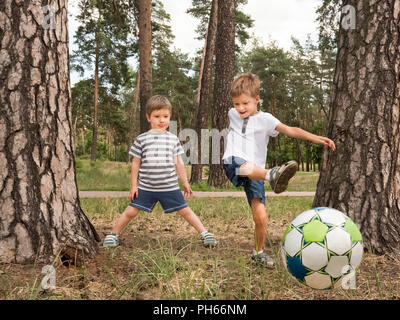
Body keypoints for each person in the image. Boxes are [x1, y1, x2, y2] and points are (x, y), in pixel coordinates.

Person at [222, 72, 335, 267]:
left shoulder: (266, 119)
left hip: (255, 171)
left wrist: (316, 138)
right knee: (245, 166)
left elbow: (290, 130)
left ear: (257, 99)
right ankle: (271, 174)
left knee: (261, 216)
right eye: (236, 104)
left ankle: (258, 253)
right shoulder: (232, 114)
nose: (240, 108)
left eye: (245, 103)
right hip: (234, 161)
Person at [103, 95, 217, 248]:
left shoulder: (173, 139)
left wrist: (185, 182)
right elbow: (135, 164)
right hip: (146, 187)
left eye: (165, 116)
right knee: (130, 211)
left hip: (169, 187)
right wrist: (133, 186)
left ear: (170, 117)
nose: (161, 120)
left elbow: (179, 163)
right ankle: (113, 234)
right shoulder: (142, 139)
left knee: (185, 211)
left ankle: (205, 233)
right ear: (148, 117)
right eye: (157, 116)